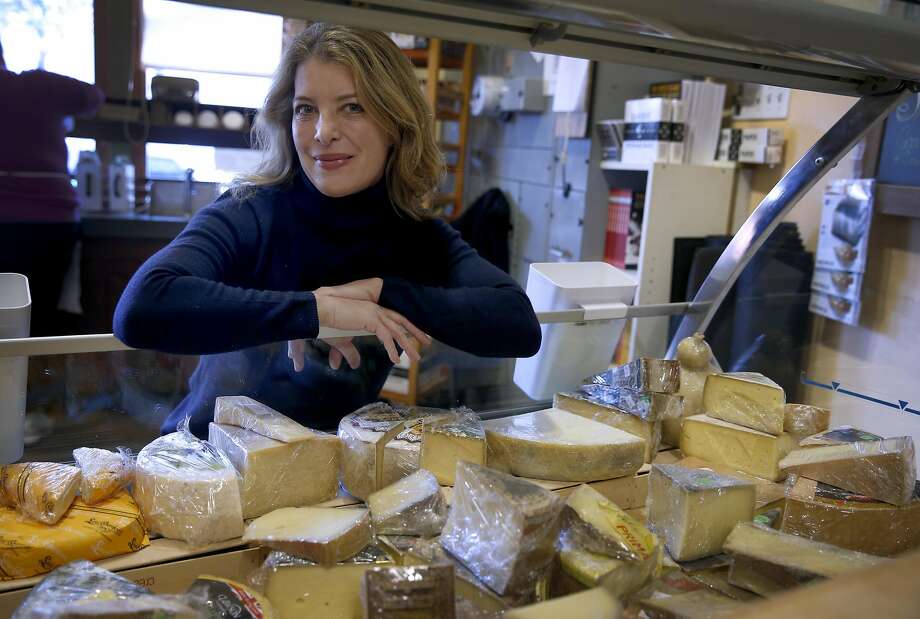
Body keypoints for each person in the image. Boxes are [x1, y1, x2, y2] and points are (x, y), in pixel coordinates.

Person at [114, 24, 542, 438]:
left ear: (395, 122)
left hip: (327, 485)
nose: (323, 132)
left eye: (352, 107)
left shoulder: (415, 236)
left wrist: (380, 293)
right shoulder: (251, 211)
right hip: (205, 467)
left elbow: (519, 324)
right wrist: (319, 312)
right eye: (306, 109)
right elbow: (141, 307)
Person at [0, 37, 104, 438]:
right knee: (41, 321)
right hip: (48, 223)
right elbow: (93, 97)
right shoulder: (37, 86)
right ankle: (36, 416)